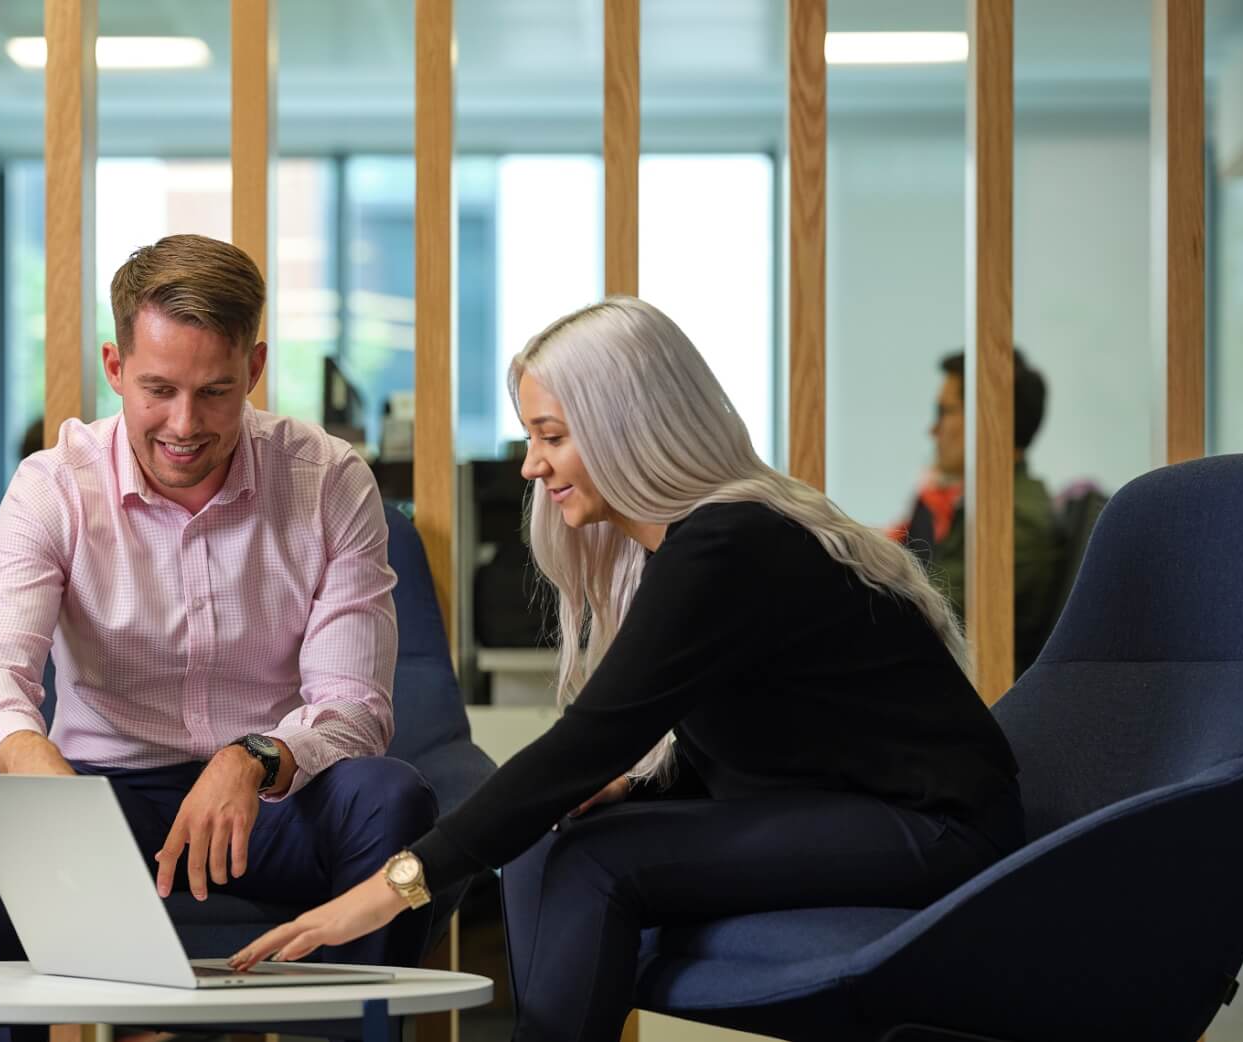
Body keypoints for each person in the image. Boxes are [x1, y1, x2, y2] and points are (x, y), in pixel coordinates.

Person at [230, 298, 1025, 1042]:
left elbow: (589, 741)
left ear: (625, 428)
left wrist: (393, 886)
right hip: (851, 807)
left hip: (937, 830)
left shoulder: (728, 544)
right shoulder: (693, 547)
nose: (530, 466)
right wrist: (633, 789)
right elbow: (773, 737)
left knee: (595, 858)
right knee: (551, 836)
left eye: (551, 435)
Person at [0, 235, 437, 1041]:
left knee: (391, 797)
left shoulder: (330, 480)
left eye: (216, 392)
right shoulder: (53, 486)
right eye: (158, 389)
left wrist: (254, 756)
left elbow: (356, 707)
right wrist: (49, 783)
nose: (184, 425)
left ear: (257, 368)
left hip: (272, 805)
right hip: (105, 792)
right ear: (114, 367)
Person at [892, 349, 1063, 675]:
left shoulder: (1012, 520)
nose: (933, 429)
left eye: (943, 411)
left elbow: (923, 612)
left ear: (986, 419)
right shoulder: (990, 506)